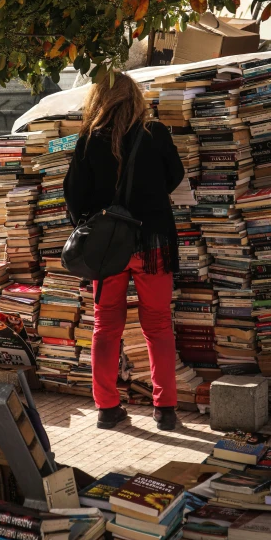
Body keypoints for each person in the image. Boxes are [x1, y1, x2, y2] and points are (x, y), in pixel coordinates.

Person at [64, 72, 185, 431]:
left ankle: (106, 408)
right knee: (159, 325)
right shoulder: (156, 133)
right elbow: (174, 176)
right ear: (135, 98)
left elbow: (73, 196)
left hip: (107, 249)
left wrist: (93, 221)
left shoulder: (89, 139)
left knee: (106, 326)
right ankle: (165, 410)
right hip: (153, 244)